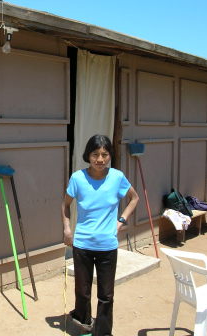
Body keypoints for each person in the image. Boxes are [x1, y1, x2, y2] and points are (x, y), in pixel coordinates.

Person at [61, 134, 139, 336]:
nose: (100, 159)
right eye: (95, 154)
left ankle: (103, 333)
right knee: (82, 292)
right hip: (82, 246)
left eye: (105, 154)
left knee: (106, 295)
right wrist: (67, 229)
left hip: (107, 247)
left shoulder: (117, 177)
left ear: (110, 156)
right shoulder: (77, 178)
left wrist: (121, 221)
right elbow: (65, 205)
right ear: (88, 155)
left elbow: (134, 198)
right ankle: (84, 326)